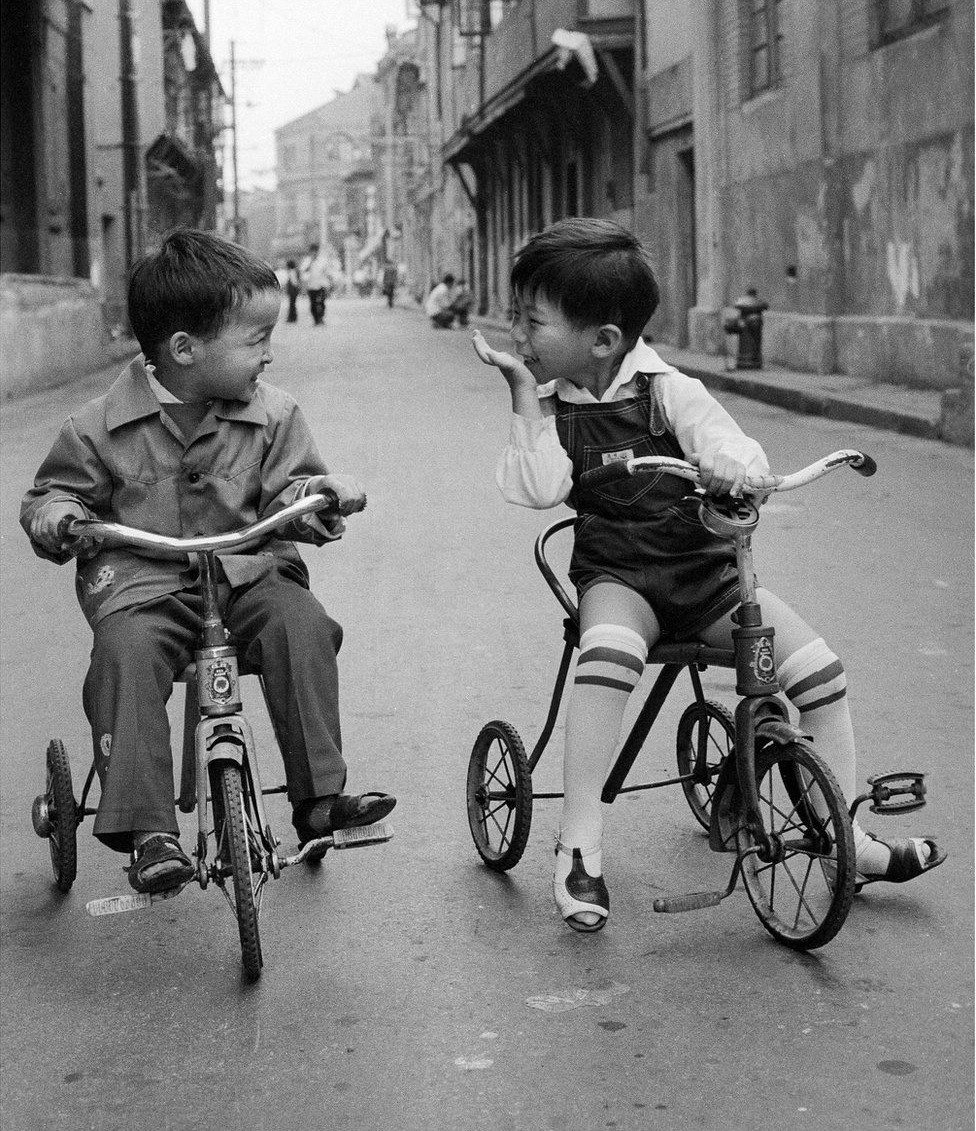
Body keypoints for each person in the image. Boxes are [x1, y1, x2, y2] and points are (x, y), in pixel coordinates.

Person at [473, 217, 945, 932]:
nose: (516, 333)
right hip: (620, 583)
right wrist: (518, 391)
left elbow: (734, 447)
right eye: (516, 317)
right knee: (607, 657)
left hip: (712, 583)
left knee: (821, 670)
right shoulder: (547, 408)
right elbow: (537, 490)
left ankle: (843, 838)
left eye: (530, 322)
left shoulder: (669, 391)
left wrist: (734, 464)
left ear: (601, 340)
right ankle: (579, 848)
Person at [21, 229, 395, 897]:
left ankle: (319, 799)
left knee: (301, 625)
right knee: (125, 653)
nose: (269, 354)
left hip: (250, 572)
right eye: (255, 339)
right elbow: (54, 494)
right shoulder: (96, 427)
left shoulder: (275, 414)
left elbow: (293, 491)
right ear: (185, 350)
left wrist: (320, 497)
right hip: (143, 583)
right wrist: (58, 514)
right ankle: (149, 831)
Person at [301, 243, 331, 326]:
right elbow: (303, 270)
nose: (314, 253)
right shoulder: (307, 260)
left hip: (322, 284)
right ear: (310, 252)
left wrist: (328, 283)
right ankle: (316, 319)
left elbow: (327, 271)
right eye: (312, 251)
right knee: (313, 303)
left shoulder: (322, 260)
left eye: (316, 251)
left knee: (321, 302)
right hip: (311, 285)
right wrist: (310, 262)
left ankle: (321, 317)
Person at [283, 259, 301, 324]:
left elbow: (294, 282)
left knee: (292, 304)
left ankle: (292, 317)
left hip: (293, 290)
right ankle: (293, 317)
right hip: (294, 290)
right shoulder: (296, 271)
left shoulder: (292, 272)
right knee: (292, 304)